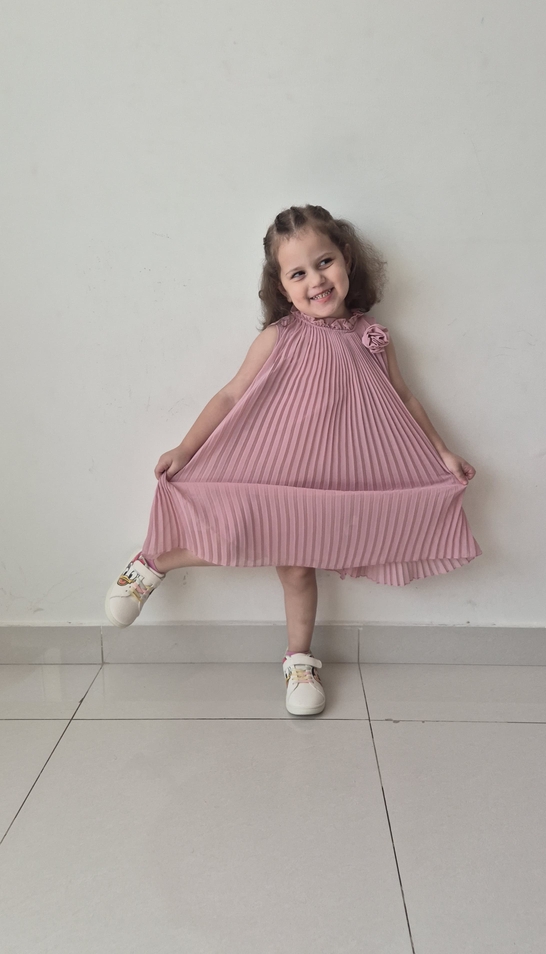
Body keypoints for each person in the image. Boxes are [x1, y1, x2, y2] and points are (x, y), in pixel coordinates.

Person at [105, 204, 482, 716]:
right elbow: (231, 395)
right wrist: (185, 449)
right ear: (282, 287)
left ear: (346, 258)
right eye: (298, 273)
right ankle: (152, 563)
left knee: (301, 571)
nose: (316, 281)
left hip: (332, 478)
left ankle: (299, 660)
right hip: (276, 468)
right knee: (235, 531)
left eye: (324, 263)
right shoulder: (278, 337)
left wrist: (441, 451)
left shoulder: (373, 337)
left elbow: (403, 398)